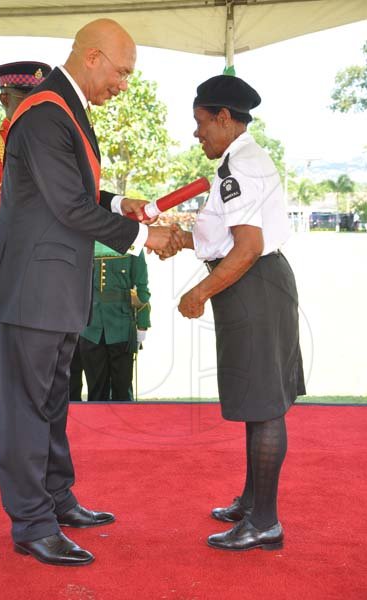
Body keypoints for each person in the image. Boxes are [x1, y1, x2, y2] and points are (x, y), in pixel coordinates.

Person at [0, 18, 181, 567]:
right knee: (24, 409)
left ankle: (57, 500)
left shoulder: (63, 109)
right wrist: (145, 235)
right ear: (92, 57)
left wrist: (121, 204)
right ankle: (31, 524)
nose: (124, 84)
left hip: (53, 291)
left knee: (50, 404)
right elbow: (68, 205)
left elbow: (78, 191)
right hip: (29, 292)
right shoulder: (45, 113)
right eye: (122, 71)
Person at [165, 75, 306, 551]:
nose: (197, 133)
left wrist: (198, 292)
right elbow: (226, 237)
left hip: (254, 285)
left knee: (263, 406)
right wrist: (181, 239)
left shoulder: (239, 168)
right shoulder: (242, 159)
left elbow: (246, 249)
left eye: (201, 123)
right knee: (257, 401)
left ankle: (265, 522)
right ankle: (252, 501)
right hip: (258, 285)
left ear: (224, 118)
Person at [0, 61, 52, 480]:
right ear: (4, 99)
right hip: (1, 270)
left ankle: (37, 454)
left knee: (43, 368)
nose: (30, 108)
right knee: (3, 364)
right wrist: (13, 235)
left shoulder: (50, 139)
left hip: (46, 272)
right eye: (23, 99)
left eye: (36, 100)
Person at [79, 242, 151, 401]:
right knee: (96, 390)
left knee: (123, 389)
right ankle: (97, 424)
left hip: (121, 327)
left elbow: (141, 287)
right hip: (91, 327)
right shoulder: (86, 243)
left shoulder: (133, 245)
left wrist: (142, 323)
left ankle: (123, 425)